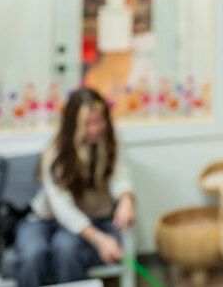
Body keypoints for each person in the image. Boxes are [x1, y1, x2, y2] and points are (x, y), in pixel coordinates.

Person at [16, 88, 136, 287]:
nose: (95, 129)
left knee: (66, 248)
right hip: (45, 219)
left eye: (99, 121)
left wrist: (126, 199)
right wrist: (100, 240)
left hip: (87, 220)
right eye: (88, 123)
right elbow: (63, 208)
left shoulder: (111, 142)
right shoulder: (55, 153)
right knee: (32, 254)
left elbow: (120, 177)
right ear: (73, 125)